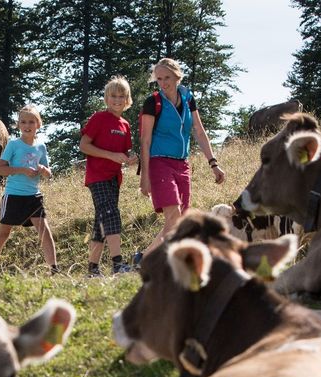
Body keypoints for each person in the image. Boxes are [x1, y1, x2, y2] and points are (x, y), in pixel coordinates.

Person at [136, 58, 225, 267]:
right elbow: (145, 140)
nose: (163, 83)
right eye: (159, 79)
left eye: (167, 78)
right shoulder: (153, 102)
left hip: (182, 164)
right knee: (174, 215)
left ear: (177, 76)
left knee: (180, 219)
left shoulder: (187, 97)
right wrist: (145, 177)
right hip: (159, 163)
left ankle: (146, 258)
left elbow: (200, 132)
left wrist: (213, 163)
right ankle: (155, 261)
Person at [0, 105, 58, 277]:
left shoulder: (41, 147)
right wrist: (22, 170)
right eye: (23, 122)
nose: (27, 125)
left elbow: (48, 173)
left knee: (45, 232)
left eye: (31, 121)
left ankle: (54, 269)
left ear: (38, 124)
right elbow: (0, 170)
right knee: (4, 233)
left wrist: (43, 170)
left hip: (34, 196)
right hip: (13, 196)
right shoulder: (13, 145)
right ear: (18, 125)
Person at [80, 75, 140, 277]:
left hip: (115, 179)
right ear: (106, 98)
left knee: (101, 221)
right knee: (111, 215)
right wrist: (110, 155)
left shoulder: (125, 124)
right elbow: (84, 145)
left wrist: (131, 158)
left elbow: (125, 153)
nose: (117, 100)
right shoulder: (99, 118)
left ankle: (93, 270)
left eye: (121, 96)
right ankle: (118, 265)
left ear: (127, 99)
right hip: (97, 177)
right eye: (113, 95)